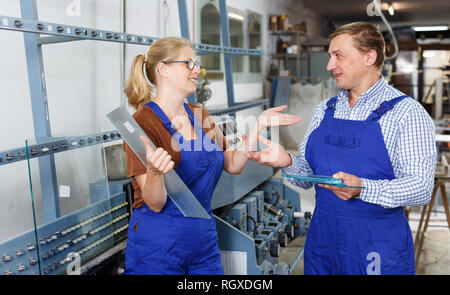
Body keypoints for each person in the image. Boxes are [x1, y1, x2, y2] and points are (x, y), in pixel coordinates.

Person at [246, 22, 436, 275]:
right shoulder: (325, 109)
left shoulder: (407, 113)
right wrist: (287, 162)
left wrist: (362, 188)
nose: (329, 65)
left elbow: (421, 188)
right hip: (324, 240)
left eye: (339, 56)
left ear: (370, 57)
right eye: (330, 56)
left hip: (376, 245)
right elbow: (308, 175)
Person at [122, 36, 301, 275]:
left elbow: (233, 163)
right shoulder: (142, 124)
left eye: (197, 63)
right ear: (162, 69)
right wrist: (155, 173)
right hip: (159, 245)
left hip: (203, 239)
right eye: (188, 63)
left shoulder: (200, 115)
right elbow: (155, 203)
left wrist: (258, 126)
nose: (197, 70)